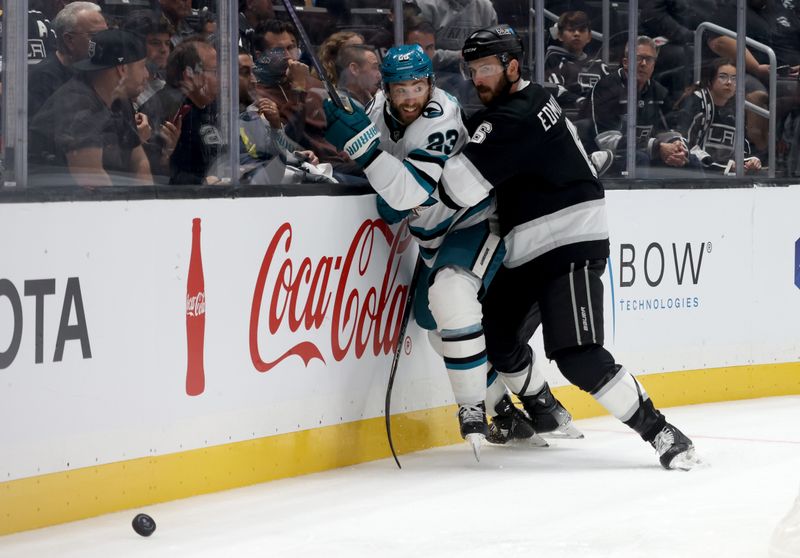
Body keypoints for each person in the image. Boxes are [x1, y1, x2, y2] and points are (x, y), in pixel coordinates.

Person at [324, 45, 579, 453]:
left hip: (474, 223)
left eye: (418, 86)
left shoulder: (439, 116)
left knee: (450, 295)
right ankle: (525, 410)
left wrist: (367, 152)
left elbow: (409, 192)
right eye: (401, 88)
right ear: (386, 89)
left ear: (430, 83)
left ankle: (473, 409)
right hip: (433, 238)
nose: (410, 97)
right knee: (439, 335)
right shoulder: (377, 110)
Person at [29, 28, 153, 186]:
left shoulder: (120, 100)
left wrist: (144, 202)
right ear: (122, 70)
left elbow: (139, 162)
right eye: (143, 66)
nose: (147, 75)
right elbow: (92, 183)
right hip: (49, 201)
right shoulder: (77, 105)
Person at [589, 35, 689, 175]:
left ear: (654, 65)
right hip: (606, 157)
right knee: (639, 159)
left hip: (646, 150)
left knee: (688, 159)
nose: (643, 64)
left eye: (648, 59)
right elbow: (607, 141)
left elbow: (671, 129)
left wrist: (678, 146)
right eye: (638, 58)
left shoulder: (659, 92)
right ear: (625, 62)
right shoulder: (607, 87)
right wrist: (656, 146)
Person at [670, 58, 762, 173]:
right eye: (723, 77)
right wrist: (724, 167)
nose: (729, 82)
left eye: (734, 78)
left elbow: (743, 145)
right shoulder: (696, 102)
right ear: (710, 81)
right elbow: (685, 145)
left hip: (724, 173)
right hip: (694, 173)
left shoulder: (736, 108)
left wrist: (750, 161)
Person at [28, 2, 108, 120]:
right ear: (69, 40)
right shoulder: (42, 78)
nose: (104, 42)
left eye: (106, 34)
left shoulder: (97, 70)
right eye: (95, 35)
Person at [544, 11, 606, 116]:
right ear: (560, 35)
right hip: (567, 120)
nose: (577, 34)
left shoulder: (599, 64)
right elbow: (555, 90)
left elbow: (613, 90)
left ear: (589, 37)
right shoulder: (554, 60)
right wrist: (580, 101)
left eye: (582, 30)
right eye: (571, 30)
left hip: (599, 120)